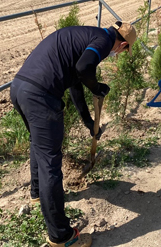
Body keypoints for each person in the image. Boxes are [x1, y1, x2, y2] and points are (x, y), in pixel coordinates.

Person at [10, 21, 137, 247]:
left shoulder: (86, 35)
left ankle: (37, 192)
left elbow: (75, 84)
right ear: (123, 44)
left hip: (20, 88)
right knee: (51, 162)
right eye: (123, 51)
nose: (118, 54)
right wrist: (97, 87)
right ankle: (62, 237)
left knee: (38, 145)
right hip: (41, 96)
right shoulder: (104, 41)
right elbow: (84, 68)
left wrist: (88, 121)